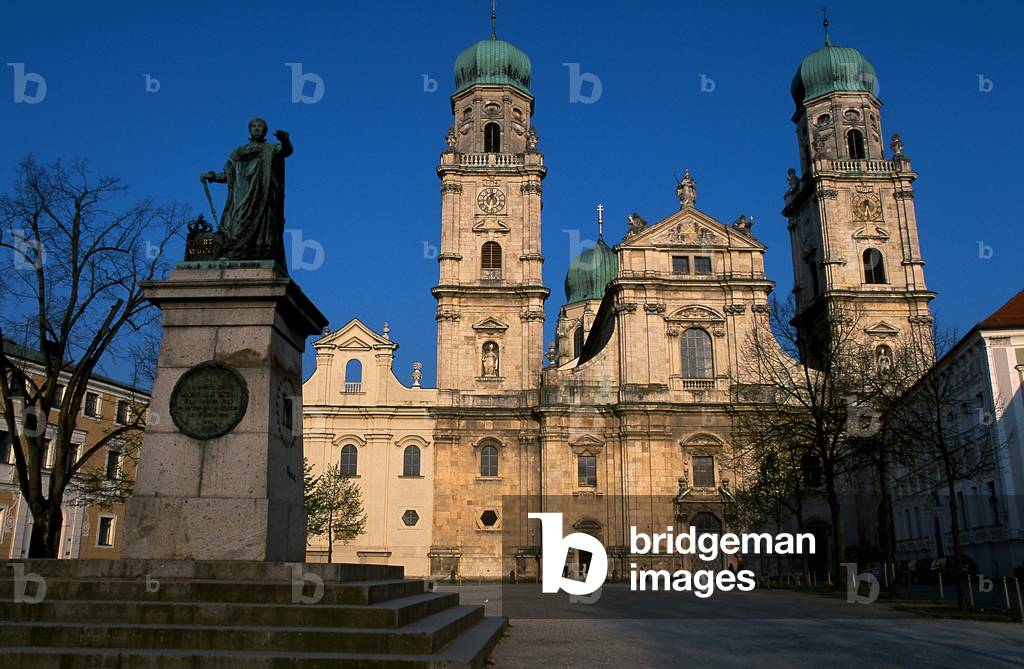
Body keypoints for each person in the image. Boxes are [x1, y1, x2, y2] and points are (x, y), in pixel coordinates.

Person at [201, 118, 292, 266]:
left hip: (262, 196)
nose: (257, 128)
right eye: (254, 126)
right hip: (239, 198)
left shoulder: (270, 149)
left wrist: (285, 140)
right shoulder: (237, 153)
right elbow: (227, 175)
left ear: (265, 130)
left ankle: (255, 256)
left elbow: (285, 151)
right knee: (234, 226)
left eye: (260, 126)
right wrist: (213, 176)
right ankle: (232, 255)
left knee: (260, 229)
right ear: (249, 129)